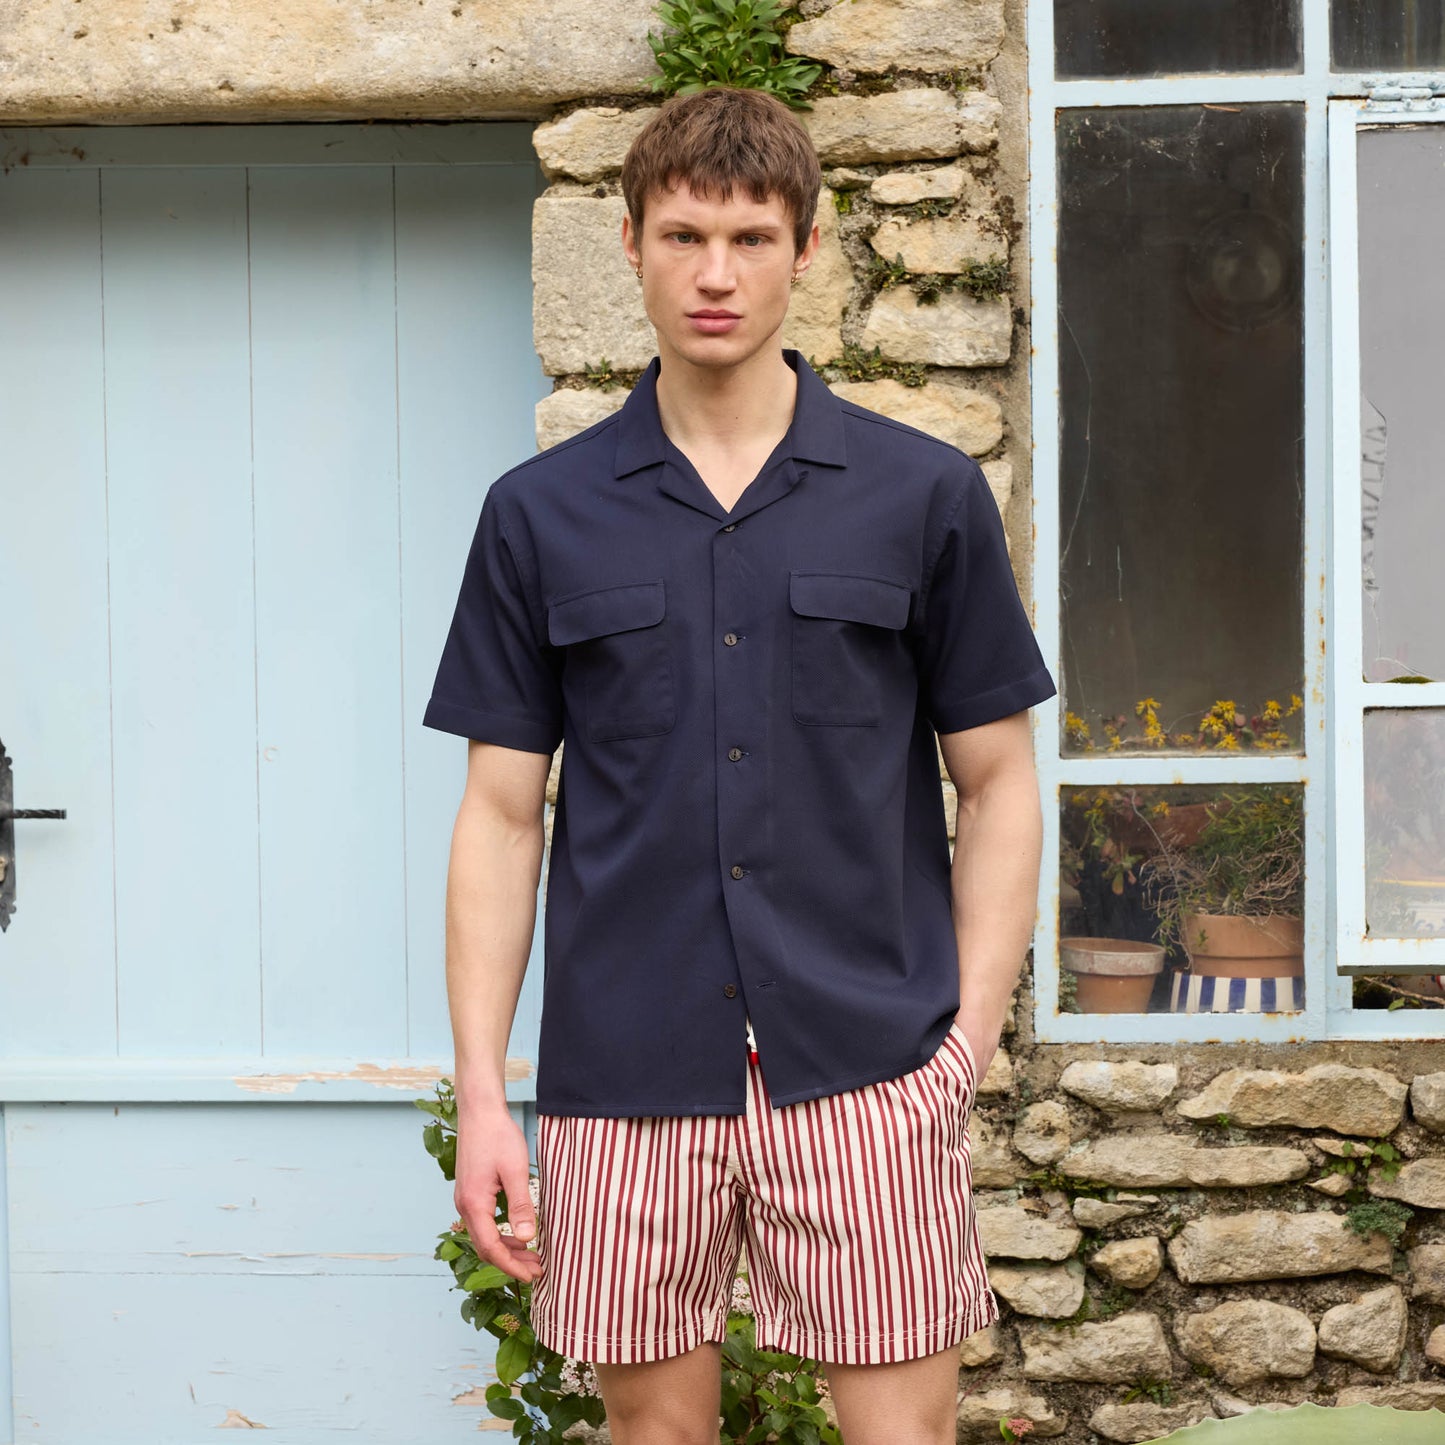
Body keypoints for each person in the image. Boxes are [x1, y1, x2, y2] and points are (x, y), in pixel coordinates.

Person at [423, 84, 1057, 1445]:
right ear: (630, 244)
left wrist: (962, 1045)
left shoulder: (922, 496)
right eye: (684, 236)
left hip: (870, 1066)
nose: (716, 274)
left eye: (752, 238)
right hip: (624, 1072)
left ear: (806, 249)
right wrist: (484, 1096)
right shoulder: (538, 516)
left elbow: (1001, 782)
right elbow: (501, 815)